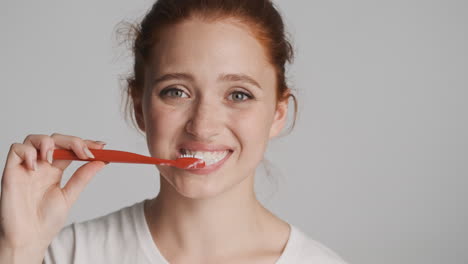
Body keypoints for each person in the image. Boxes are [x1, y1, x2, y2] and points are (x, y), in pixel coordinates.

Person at [0, 0, 349, 263]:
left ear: (277, 114)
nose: (203, 126)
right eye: (176, 91)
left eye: (239, 95)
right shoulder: (65, 255)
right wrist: (17, 250)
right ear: (139, 107)